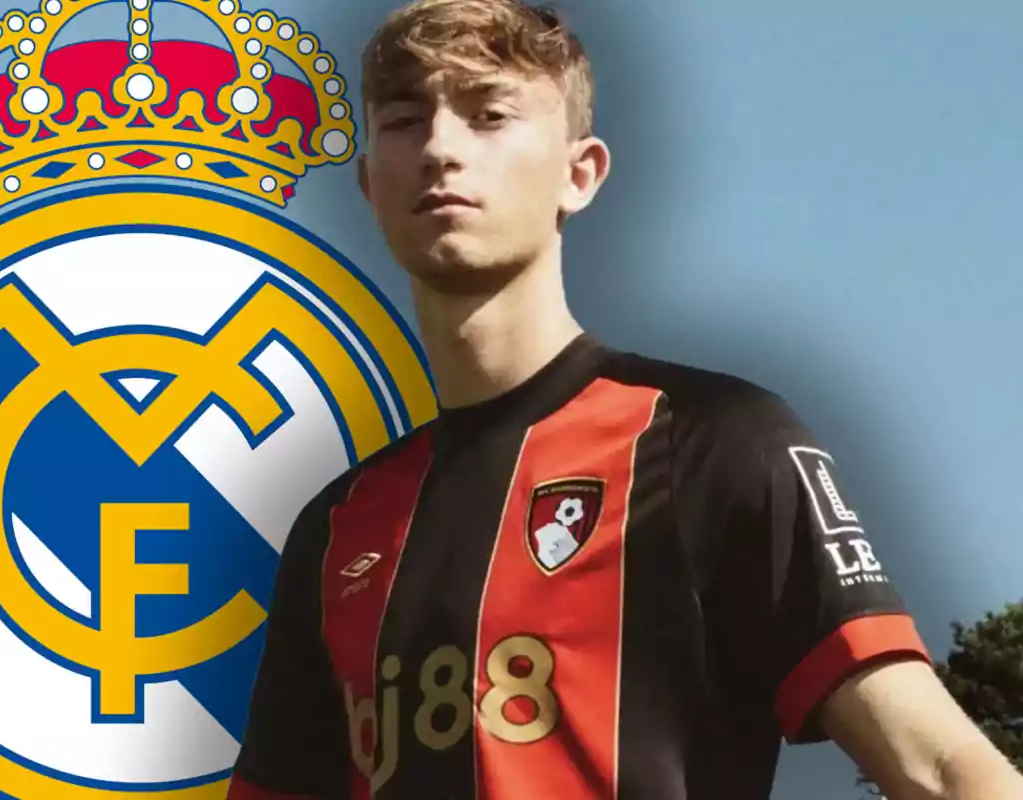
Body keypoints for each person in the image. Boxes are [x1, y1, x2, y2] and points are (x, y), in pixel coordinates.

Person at [228, 1, 1023, 797]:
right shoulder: (337, 532)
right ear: (369, 185)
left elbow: (942, 768)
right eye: (405, 119)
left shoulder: (714, 444)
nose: (440, 147)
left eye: (488, 114)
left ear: (581, 174)